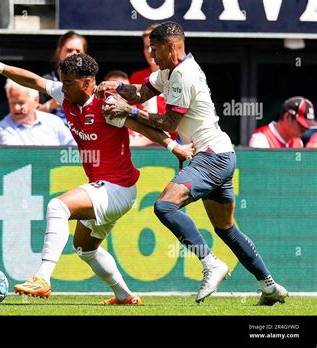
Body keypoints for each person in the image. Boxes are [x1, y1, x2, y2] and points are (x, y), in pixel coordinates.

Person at [0, 40, 194, 305]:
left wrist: (173, 146)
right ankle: (124, 296)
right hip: (106, 187)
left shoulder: (107, 104)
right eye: (62, 82)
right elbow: (34, 80)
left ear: (88, 83)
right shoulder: (67, 93)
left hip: (117, 188)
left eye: (70, 83)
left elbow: (142, 126)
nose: (63, 88)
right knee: (85, 249)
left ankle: (42, 278)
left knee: (57, 207)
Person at [97, 21, 288, 306]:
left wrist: (128, 111)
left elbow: (168, 122)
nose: (151, 54)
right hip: (219, 154)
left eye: (155, 49)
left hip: (211, 156)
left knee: (164, 206)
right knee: (226, 228)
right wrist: (119, 87)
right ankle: (269, 285)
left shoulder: (184, 75)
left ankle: (211, 263)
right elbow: (141, 93)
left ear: (171, 47)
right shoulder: (169, 71)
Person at [0, 79, 75, 146]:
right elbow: (15, 158)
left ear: (36, 101)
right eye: (12, 103)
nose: (16, 108)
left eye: (21, 103)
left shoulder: (54, 122)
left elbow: (74, 148)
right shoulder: (3, 128)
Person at [37, 31, 88, 123]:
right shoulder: (46, 80)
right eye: (69, 50)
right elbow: (31, 116)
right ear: (59, 51)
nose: (74, 54)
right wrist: (50, 105)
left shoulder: (89, 83)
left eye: (78, 51)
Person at [104, 70, 154, 147]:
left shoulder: (139, 112)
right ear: (104, 91)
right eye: (114, 92)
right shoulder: (100, 113)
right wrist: (146, 140)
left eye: (124, 91)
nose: (119, 96)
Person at [249, 97, 314, 148]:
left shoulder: (298, 142)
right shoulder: (261, 139)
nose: (305, 130)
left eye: (307, 126)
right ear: (287, 117)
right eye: (301, 125)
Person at [130, 24, 166, 116]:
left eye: (154, 47)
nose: (150, 51)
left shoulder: (178, 75)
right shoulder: (136, 77)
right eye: (146, 47)